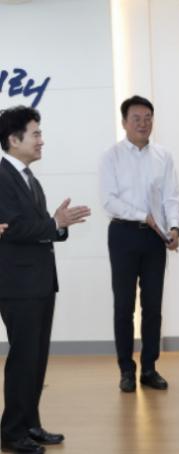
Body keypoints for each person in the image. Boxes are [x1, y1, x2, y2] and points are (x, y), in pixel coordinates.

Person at [0, 106, 91, 453]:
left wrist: (58, 226)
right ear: (13, 139)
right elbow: (12, 229)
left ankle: (30, 423)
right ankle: (12, 432)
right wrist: (54, 224)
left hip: (39, 282)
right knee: (24, 358)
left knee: (36, 358)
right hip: (17, 285)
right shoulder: (2, 177)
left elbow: (38, 230)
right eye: (35, 134)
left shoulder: (30, 179)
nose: (41, 140)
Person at [98, 95, 179, 393]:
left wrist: (174, 227)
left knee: (153, 306)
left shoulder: (163, 156)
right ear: (124, 122)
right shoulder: (111, 156)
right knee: (124, 306)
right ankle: (126, 369)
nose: (143, 123)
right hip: (123, 234)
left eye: (148, 118)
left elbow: (171, 196)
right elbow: (108, 201)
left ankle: (149, 368)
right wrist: (141, 215)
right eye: (136, 118)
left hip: (155, 237)